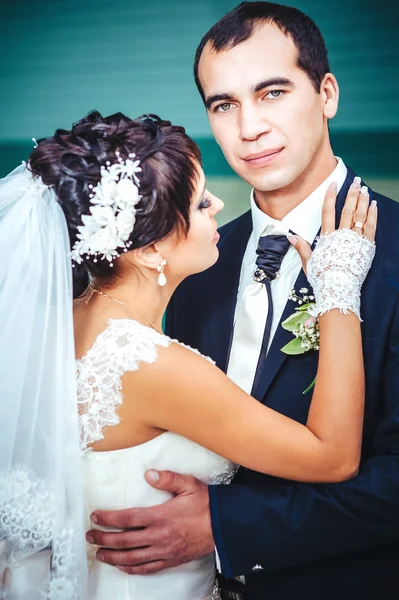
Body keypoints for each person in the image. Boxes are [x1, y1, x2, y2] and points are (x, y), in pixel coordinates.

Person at [88, 3, 399, 600]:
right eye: (223, 104)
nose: (247, 127)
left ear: (327, 93)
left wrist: (227, 525)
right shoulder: (188, 261)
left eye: (273, 92)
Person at [0, 109, 376, 600]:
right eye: (201, 204)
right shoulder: (149, 364)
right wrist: (338, 288)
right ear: (150, 251)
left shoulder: (57, 320)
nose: (219, 203)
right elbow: (333, 457)